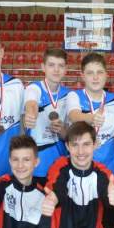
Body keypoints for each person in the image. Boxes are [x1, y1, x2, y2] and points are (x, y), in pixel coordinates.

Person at [22, 47, 70, 177]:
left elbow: (68, 136)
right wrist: (31, 115)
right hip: (36, 164)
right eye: (51, 65)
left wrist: (61, 130)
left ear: (66, 69)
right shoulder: (34, 88)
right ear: (43, 67)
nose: (56, 69)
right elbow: (31, 103)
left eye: (60, 65)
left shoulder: (69, 95)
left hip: (60, 163)